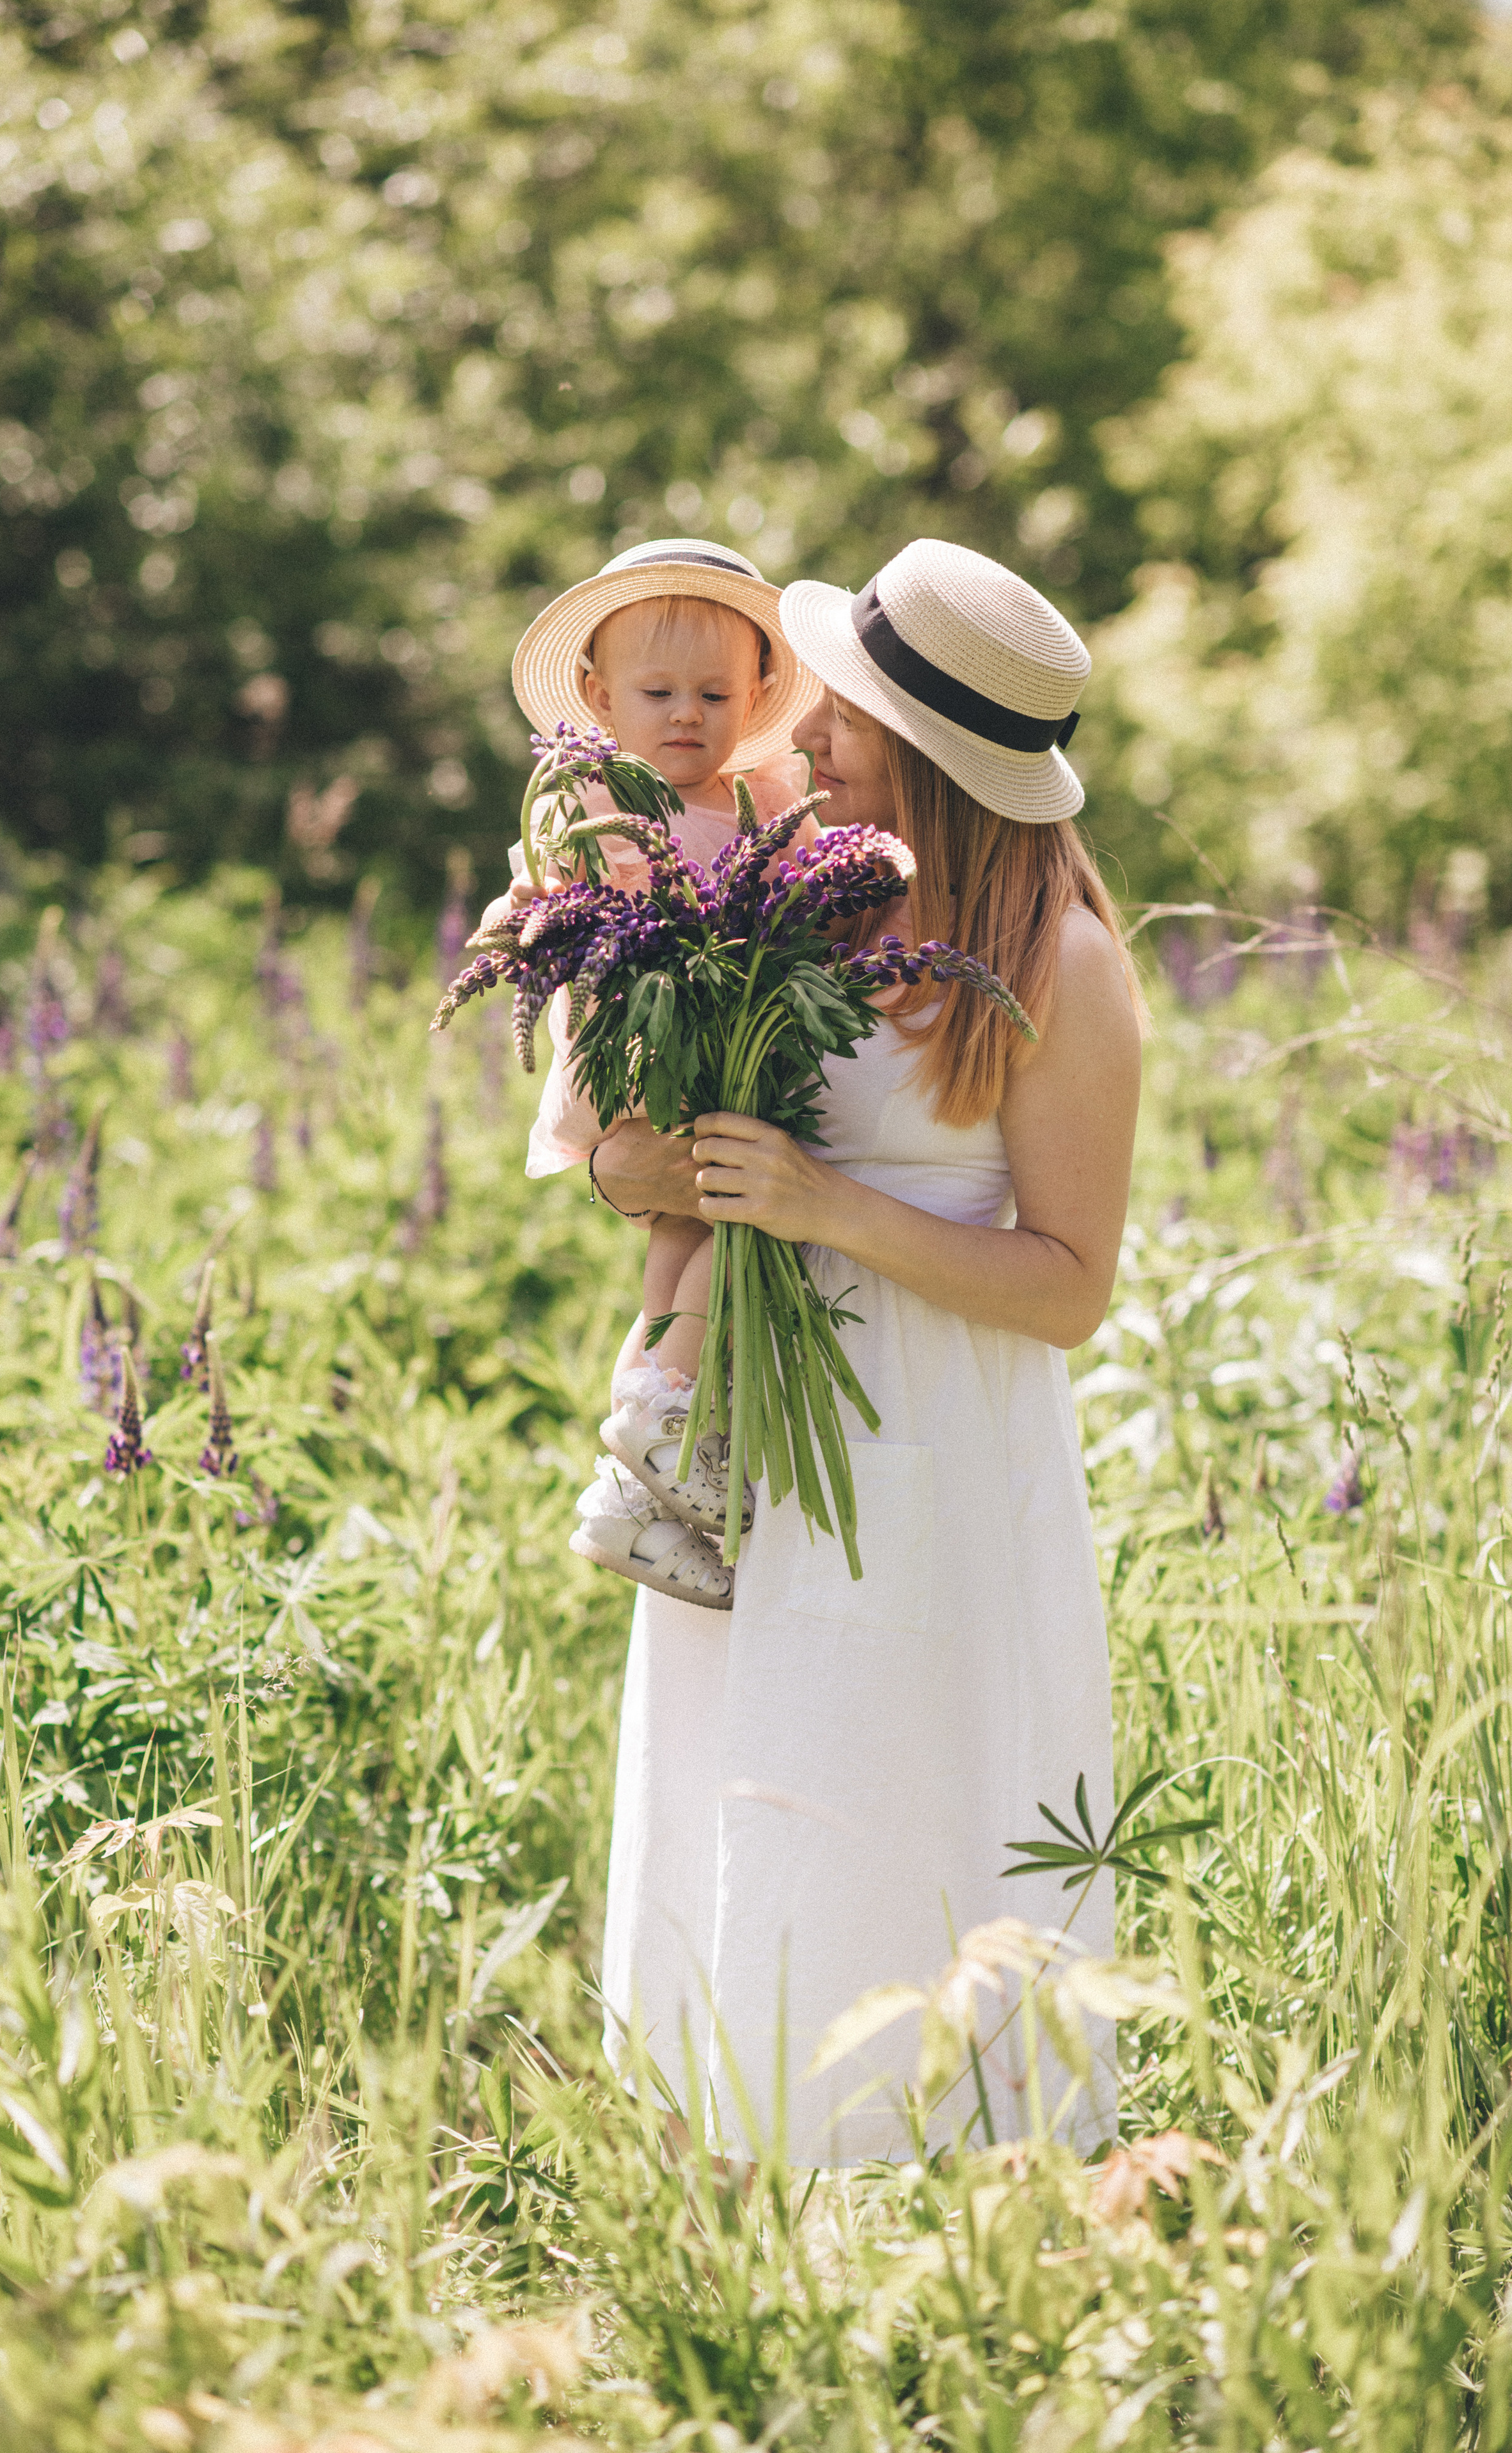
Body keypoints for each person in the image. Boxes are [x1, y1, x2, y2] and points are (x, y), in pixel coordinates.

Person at [590, 538, 1147, 2163]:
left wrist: (828, 1206)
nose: (805, 727)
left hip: (938, 1439)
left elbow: (1066, 1285)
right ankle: (740, 2149)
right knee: (746, 1765)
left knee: (907, 1768)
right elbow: (665, 1156)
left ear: (924, 749)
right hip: (757, 1426)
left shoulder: (1063, 965)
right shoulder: (809, 903)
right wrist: (650, 1160)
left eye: (843, 709)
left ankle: (950, 2170)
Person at [480, 538, 821, 1608]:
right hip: (647, 1043)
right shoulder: (595, 803)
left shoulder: (765, 793)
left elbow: (811, 877)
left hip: (720, 1036)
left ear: (757, 694)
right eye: (658, 691)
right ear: (599, 696)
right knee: (734, 1217)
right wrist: (519, 932)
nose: (686, 715)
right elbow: (530, 893)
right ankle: (676, 1417)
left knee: (684, 1236)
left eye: (714, 692)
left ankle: (633, 1479)